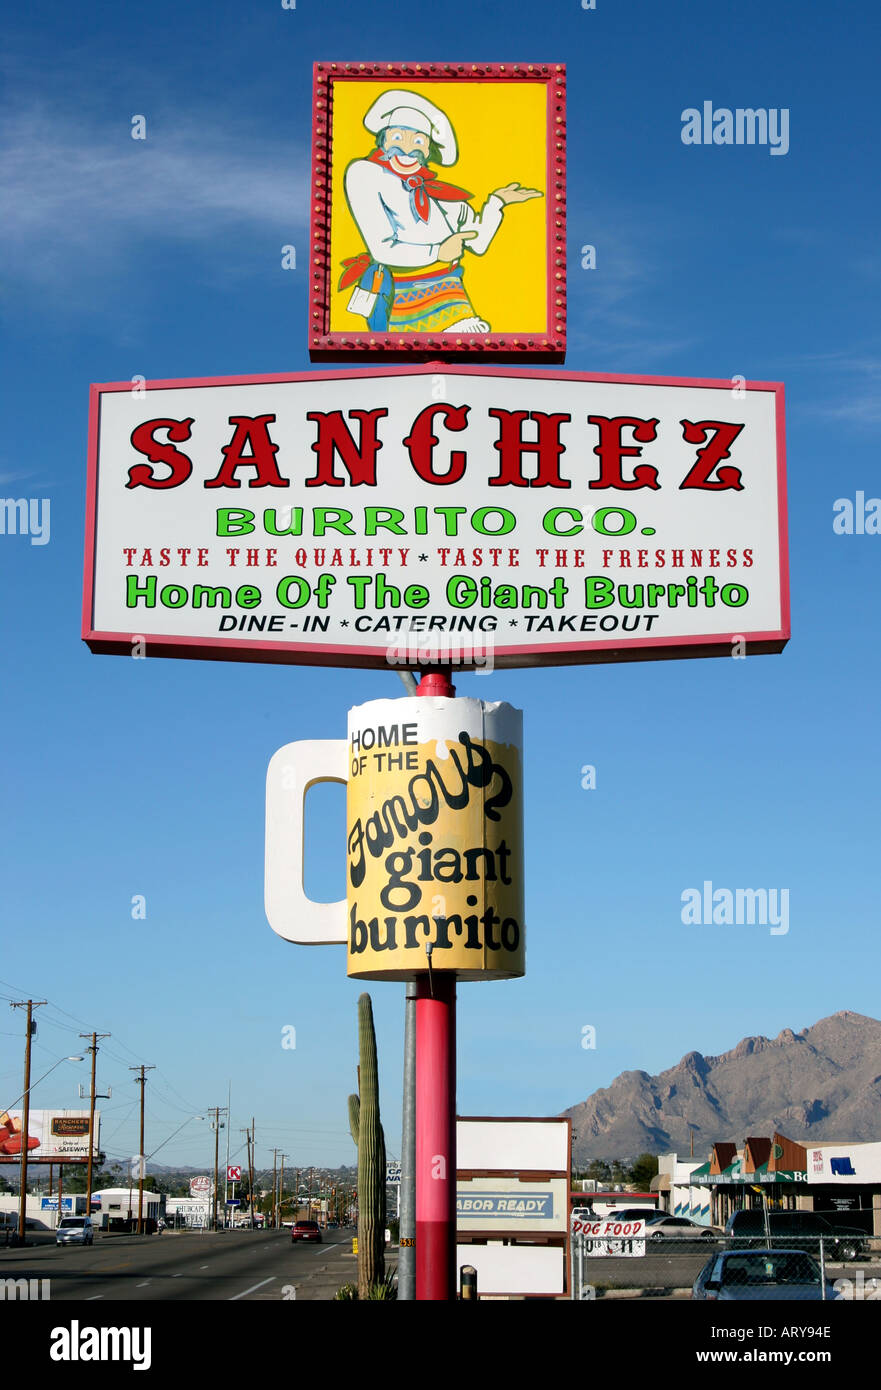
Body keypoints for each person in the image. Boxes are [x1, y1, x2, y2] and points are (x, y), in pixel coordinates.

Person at [340, 89, 542, 334]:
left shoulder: (445, 197)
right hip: (403, 299)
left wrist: (497, 203)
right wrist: (439, 251)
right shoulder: (366, 174)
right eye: (397, 138)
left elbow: (476, 243)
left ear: (428, 150)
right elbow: (382, 248)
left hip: (453, 297)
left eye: (417, 142)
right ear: (383, 140)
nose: (406, 149)